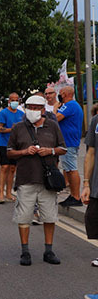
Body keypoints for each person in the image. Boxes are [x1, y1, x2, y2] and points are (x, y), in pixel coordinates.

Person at [7, 95, 66, 266]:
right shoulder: (18, 127)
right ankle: (25, 251)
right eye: (29, 107)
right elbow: (9, 152)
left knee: (49, 216)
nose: (32, 111)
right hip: (26, 179)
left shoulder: (52, 126)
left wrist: (50, 151)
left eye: (35, 108)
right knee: (24, 217)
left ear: (42, 110)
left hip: (48, 181)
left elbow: (63, 148)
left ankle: (49, 250)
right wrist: (24, 152)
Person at [56, 86, 84, 207]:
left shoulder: (69, 105)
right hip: (69, 142)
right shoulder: (73, 105)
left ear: (65, 94)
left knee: (72, 170)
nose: (59, 95)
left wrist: (55, 108)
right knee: (68, 169)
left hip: (69, 143)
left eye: (61, 93)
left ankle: (76, 196)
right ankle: (73, 195)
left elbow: (55, 118)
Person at [0, 92, 24, 204]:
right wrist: (11, 129)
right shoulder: (3, 113)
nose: (14, 102)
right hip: (4, 144)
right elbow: (0, 129)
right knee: (4, 167)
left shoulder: (21, 114)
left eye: (16, 100)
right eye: (12, 100)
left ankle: (8, 192)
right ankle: (1, 193)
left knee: (13, 168)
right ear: (9, 101)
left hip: (16, 145)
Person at [83, 113, 98, 269]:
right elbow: (90, 153)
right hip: (96, 183)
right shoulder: (96, 120)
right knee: (93, 218)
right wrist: (86, 183)